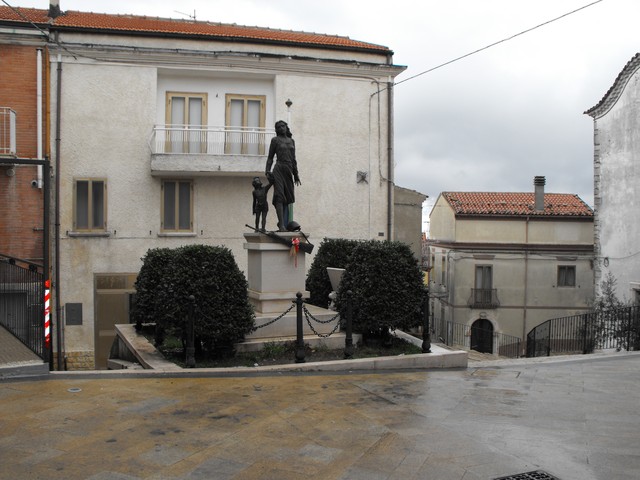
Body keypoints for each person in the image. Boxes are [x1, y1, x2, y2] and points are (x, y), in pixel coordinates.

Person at [265, 120, 301, 231]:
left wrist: (296, 174)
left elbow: (293, 159)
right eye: (279, 127)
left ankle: (284, 223)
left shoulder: (292, 141)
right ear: (277, 130)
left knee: (288, 198)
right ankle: (281, 225)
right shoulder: (275, 140)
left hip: (288, 169)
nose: (281, 128)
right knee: (279, 196)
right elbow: (270, 157)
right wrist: (267, 171)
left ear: (286, 127)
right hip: (279, 168)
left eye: (283, 126)